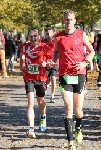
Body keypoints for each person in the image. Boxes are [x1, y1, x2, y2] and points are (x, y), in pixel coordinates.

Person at [50, 10, 94, 150]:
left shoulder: (81, 34)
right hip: (65, 75)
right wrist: (53, 61)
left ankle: (78, 128)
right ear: (63, 21)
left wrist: (84, 62)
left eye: (71, 19)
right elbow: (56, 52)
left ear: (74, 21)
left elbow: (92, 51)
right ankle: (70, 143)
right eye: (66, 19)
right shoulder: (58, 37)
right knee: (68, 108)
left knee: (78, 110)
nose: (68, 22)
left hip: (80, 74)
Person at [20, 28, 52, 138]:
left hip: (40, 78)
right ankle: (31, 129)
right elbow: (22, 61)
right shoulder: (25, 46)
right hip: (29, 78)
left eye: (35, 36)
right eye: (31, 36)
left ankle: (43, 117)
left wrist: (46, 64)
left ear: (39, 37)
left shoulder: (45, 47)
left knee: (40, 101)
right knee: (30, 103)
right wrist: (24, 66)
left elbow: (50, 63)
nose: (33, 38)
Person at [41, 26, 57, 103]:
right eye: (47, 33)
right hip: (46, 63)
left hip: (54, 63)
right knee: (47, 80)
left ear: (53, 33)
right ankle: (46, 85)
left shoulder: (56, 41)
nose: (48, 35)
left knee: (53, 78)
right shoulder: (43, 42)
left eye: (49, 33)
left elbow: (58, 53)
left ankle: (52, 96)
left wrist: (53, 61)